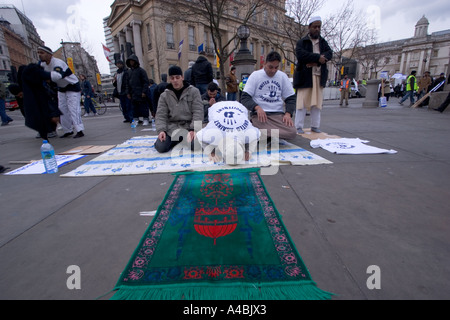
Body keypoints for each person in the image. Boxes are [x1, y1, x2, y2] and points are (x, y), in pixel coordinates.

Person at [241, 51, 297, 141]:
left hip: (277, 115)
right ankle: (269, 134)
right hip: (260, 116)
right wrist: (257, 108)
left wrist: (288, 114)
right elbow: (245, 98)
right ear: (264, 63)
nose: (273, 71)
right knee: (261, 126)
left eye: (276, 67)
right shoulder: (255, 75)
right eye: (270, 67)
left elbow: (290, 98)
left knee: (292, 132)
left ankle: (265, 135)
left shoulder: (282, 76)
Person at [293, 16, 333, 134]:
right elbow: (301, 55)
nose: (317, 29)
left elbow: (329, 54)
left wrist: (316, 62)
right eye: (315, 27)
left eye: (319, 27)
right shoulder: (302, 42)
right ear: (309, 27)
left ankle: (315, 125)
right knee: (302, 102)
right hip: (305, 77)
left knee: (317, 103)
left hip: (318, 76)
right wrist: (317, 57)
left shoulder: (323, 42)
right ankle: (298, 126)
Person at [37, 46, 85, 138]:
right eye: (38, 53)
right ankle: (68, 130)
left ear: (50, 55)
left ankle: (79, 130)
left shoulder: (58, 63)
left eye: (42, 53)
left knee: (73, 109)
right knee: (62, 109)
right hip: (61, 88)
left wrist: (45, 77)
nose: (39, 55)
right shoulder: (42, 65)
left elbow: (57, 76)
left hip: (72, 86)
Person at [154, 66, 203, 153]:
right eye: (172, 78)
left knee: (196, 146)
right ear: (169, 79)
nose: (175, 80)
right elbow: (161, 115)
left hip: (188, 128)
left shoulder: (194, 92)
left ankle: (184, 140)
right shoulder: (164, 96)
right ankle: (177, 141)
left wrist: (194, 129)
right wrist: (161, 130)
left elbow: (198, 111)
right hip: (171, 129)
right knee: (161, 147)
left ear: (182, 77)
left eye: (177, 77)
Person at [20, 63, 64, 140]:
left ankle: (45, 135)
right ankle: (49, 133)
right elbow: (56, 76)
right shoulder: (36, 72)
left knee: (41, 120)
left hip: (33, 103)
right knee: (49, 116)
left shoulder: (26, 76)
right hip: (42, 100)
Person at [126, 54, 150, 126]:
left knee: (143, 107)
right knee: (134, 107)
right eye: (130, 61)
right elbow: (127, 83)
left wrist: (144, 91)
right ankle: (136, 119)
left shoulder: (141, 71)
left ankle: (145, 119)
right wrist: (128, 93)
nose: (131, 63)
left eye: (132, 61)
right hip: (133, 93)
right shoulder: (129, 72)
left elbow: (145, 82)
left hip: (141, 93)